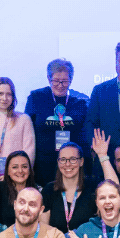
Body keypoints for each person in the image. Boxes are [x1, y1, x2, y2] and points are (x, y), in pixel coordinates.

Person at [24, 58, 90, 186]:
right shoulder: (36, 98)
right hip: (42, 165)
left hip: (71, 166)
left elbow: (84, 138)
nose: (60, 85)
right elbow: (27, 132)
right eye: (56, 81)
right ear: (49, 79)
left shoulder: (80, 101)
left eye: (65, 81)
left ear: (71, 80)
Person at [42, 135, 111, 234]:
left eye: (73, 159)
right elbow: (44, 229)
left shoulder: (93, 187)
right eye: (63, 159)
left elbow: (114, 188)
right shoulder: (49, 190)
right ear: (58, 162)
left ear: (81, 161)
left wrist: (102, 155)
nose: (67, 164)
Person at [0, 77, 35, 182]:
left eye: (9, 94)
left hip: (18, 178)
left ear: (13, 97)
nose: (4, 98)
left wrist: (17, 173)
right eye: (0, 94)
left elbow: (29, 151)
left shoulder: (23, 119)